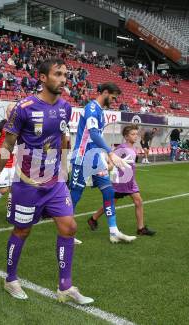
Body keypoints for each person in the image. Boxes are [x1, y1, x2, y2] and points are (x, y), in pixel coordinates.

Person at [0, 58, 94, 304]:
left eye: (65, 74)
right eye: (58, 74)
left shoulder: (66, 108)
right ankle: (10, 279)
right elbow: (8, 144)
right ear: (43, 78)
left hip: (55, 182)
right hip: (28, 183)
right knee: (22, 231)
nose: (64, 79)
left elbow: (63, 138)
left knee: (69, 227)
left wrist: (64, 170)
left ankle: (65, 287)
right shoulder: (23, 108)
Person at [70, 82, 136, 243]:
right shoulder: (92, 109)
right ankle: (67, 233)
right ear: (105, 92)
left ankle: (113, 231)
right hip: (82, 158)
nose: (114, 101)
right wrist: (110, 153)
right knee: (75, 195)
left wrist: (104, 156)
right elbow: (93, 134)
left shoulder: (100, 111)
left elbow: (96, 138)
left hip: (95, 158)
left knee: (108, 192)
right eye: (113, 97)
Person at [89, 125, 156, 236]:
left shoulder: (133, 148)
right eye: (132, 134)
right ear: (126, 136)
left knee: (138, 202)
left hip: (130, 181)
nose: (135, 136)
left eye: (136, 134)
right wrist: (107, 167)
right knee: (111, 203)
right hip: (120, 181)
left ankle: (141, 228)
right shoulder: (122, 148)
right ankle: (93, 218)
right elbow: (110, 158)